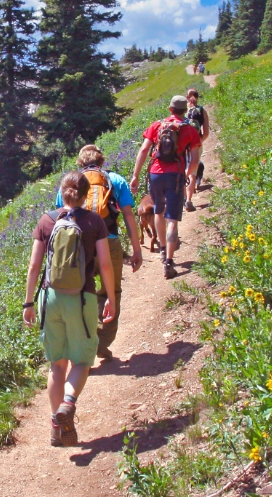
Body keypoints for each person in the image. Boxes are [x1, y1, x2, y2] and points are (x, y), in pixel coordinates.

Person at [23, 171, 117, 447]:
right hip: (82, 297)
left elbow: (34, 266)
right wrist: (109, 297)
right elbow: (106, 264)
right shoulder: (94, 221)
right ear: (87, 195)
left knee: (56, 364)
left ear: (61, 192)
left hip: (50, 297)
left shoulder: (47, 221)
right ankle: (68, 403)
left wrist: (28, 302)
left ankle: (56, 425)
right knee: (83, 360)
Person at [54, 145, 143, 362]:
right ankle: (100, 343)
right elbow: (129, 216)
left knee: (80, 291)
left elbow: (60, 216)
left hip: (78, 244)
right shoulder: (114, 180)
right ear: (101, 160)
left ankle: (79, 341)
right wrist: (136, 248)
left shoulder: (68, 184)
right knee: (111, 291)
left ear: (80, 162)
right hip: (109, 242)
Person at [129, 95, 201, 278]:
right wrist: (185, 174)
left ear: (170, 109)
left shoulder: (157, 125)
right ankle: (169, 261)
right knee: (172, 219)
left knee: (159, 212)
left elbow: (144, 149)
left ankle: (162, 250)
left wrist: (135, 176)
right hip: (175, 174)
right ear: (185, 110)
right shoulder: (190, 129)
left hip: (155, 174)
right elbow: (195, 159)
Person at [182, 88, 210, 212]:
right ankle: (189, 200)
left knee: (182, 170)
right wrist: (198, 142)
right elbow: (206, 133)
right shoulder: (202, 111)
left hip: (183, 145)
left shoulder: (183, 110)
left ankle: (183, 199)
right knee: (192, 172)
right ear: (197, 97)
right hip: (196, 145)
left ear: (187, 98)